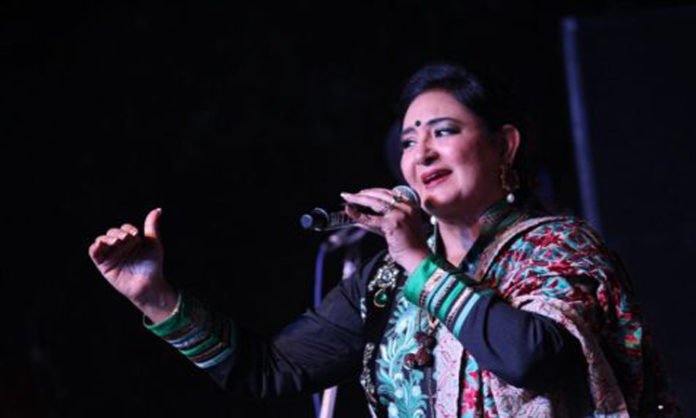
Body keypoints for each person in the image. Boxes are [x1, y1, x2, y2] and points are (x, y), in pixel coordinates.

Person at [88, 63, 679, 417]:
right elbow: (267, 371)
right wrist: (156, 298)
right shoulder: (384, 282)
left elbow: (531, 357)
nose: (421, 153)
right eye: (409, 141)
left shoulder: (558, 247)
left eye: (443, 132)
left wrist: (417, 260)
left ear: (504, 145)